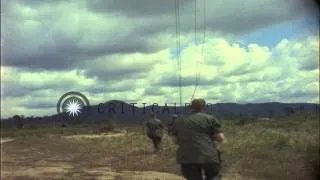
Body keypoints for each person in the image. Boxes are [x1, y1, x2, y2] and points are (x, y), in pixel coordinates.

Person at [170, 98, 225, 180]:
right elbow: (220, 138)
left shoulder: (178, 120)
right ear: (204, 107)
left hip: (187, 156)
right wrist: (209, 138)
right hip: (209, 155)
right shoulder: (210, 118)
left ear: (190, 107)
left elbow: (175, 140)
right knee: (213, 176)